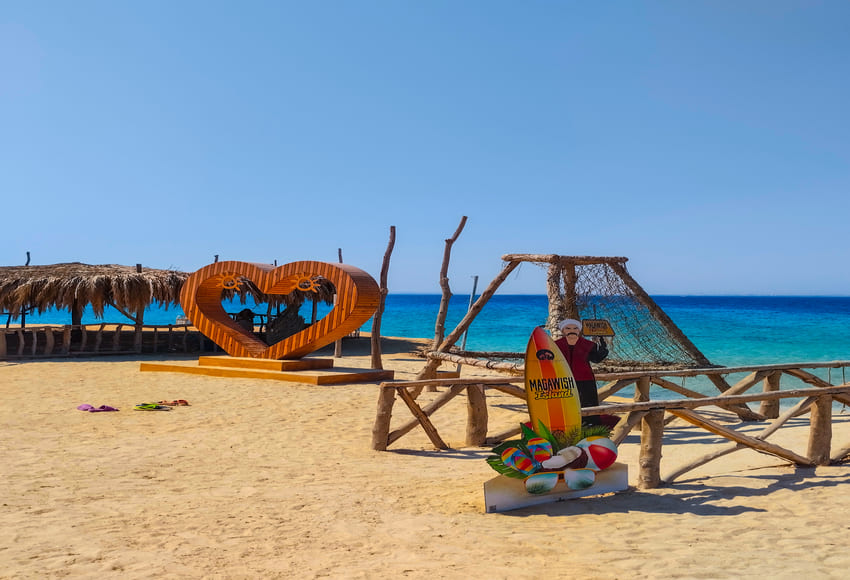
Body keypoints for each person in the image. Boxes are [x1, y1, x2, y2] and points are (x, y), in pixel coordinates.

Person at [554, 318, 610, 426]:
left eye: (575, 328)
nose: (572, 330)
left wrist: (602, 347)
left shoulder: (588, 345)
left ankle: (590, 427)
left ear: (579, 330)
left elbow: (596, 359)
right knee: (565, 405)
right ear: (563, 330)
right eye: (568, 328)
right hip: (563, 380)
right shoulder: (556, 345)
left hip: (585, 379)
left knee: (588, 404)